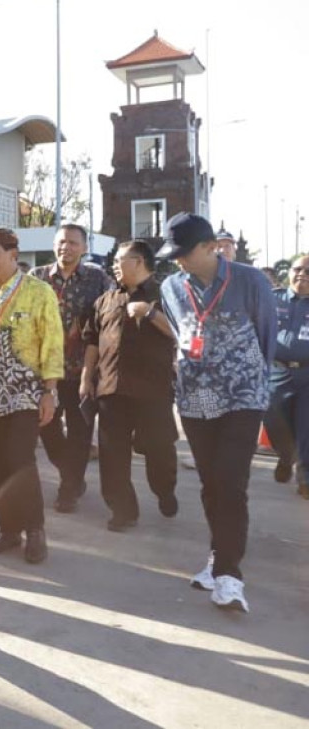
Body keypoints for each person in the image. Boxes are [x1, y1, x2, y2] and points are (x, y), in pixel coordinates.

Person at [157, 212, 276, 613]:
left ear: (210, 247)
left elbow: (266, 337)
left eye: (185, 253)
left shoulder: (250, 281)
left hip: (242, 395)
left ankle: (229, 575)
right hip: (194, 399)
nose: (179, 262)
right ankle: (217, 555)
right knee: (211, 483)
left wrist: (256, 384)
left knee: (231, 480)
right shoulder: (172, 286)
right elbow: (180, 332)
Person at [0, 228, 63, 565]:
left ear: (13, 255)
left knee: (20, 460)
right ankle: (8, 529)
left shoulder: (39, 292)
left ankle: (35, 530)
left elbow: (52, 343)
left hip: (27, 389)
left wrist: (50, 391)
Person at [80, 240, 179, 532]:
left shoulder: (167, 296)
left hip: (153, 390)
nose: (113, 265)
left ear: (138, 262)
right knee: (112, 456)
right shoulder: (106, 299)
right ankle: (122, 510)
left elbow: (183, 334)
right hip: (112, 388)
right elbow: (92, 342)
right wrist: (87, 379)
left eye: (119, 260)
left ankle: (165, 490)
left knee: (159, 449)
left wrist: (150, 314)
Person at [31, 224, 114, 513]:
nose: (66, 247)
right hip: (45, 372)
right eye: (62, 242)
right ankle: (72, 474)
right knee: (48, 429)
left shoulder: (98, 279)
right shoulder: (36, 277)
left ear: (84, 247)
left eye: (73, 243)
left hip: (83, 371)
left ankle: (68, 490)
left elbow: (110, 320)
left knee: (80, 432)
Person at [263, 254, 309, 499]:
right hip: (276, 371)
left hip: (308, 375)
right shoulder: (273, 298)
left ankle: (305, 479)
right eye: (297, 269)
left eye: (308, 271)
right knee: (273, 420)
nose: (302, 274)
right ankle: (284, 455)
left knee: (306, 428)